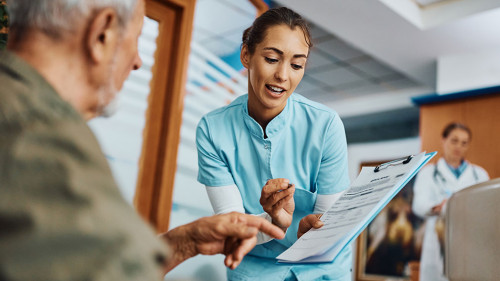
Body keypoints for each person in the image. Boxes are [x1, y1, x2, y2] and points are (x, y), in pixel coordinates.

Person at [0, 0, 286, 280]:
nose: (137, 61)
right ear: (102, 33)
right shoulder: (39, 134)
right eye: (136, 38)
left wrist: (182, 243)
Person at [196, 7, 352, 281]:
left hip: (320, 270)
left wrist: (310, 231)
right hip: (254, 271)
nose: (283, 75)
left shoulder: (326, 125)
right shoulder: (213, 130)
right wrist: (274, 221)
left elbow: (330, 225)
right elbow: (232, 233)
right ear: (246, 55)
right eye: (271, 58)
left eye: (296, 65)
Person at [412, 122, 489, 281]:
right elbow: (418, 205)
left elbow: (487, 207)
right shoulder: (428, 173)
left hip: (471, 243)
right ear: (443, 140)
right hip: (437, 242)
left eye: (464, 143)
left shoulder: (479, 175)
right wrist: (436, 207)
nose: (458, 147)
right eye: (454, 141)